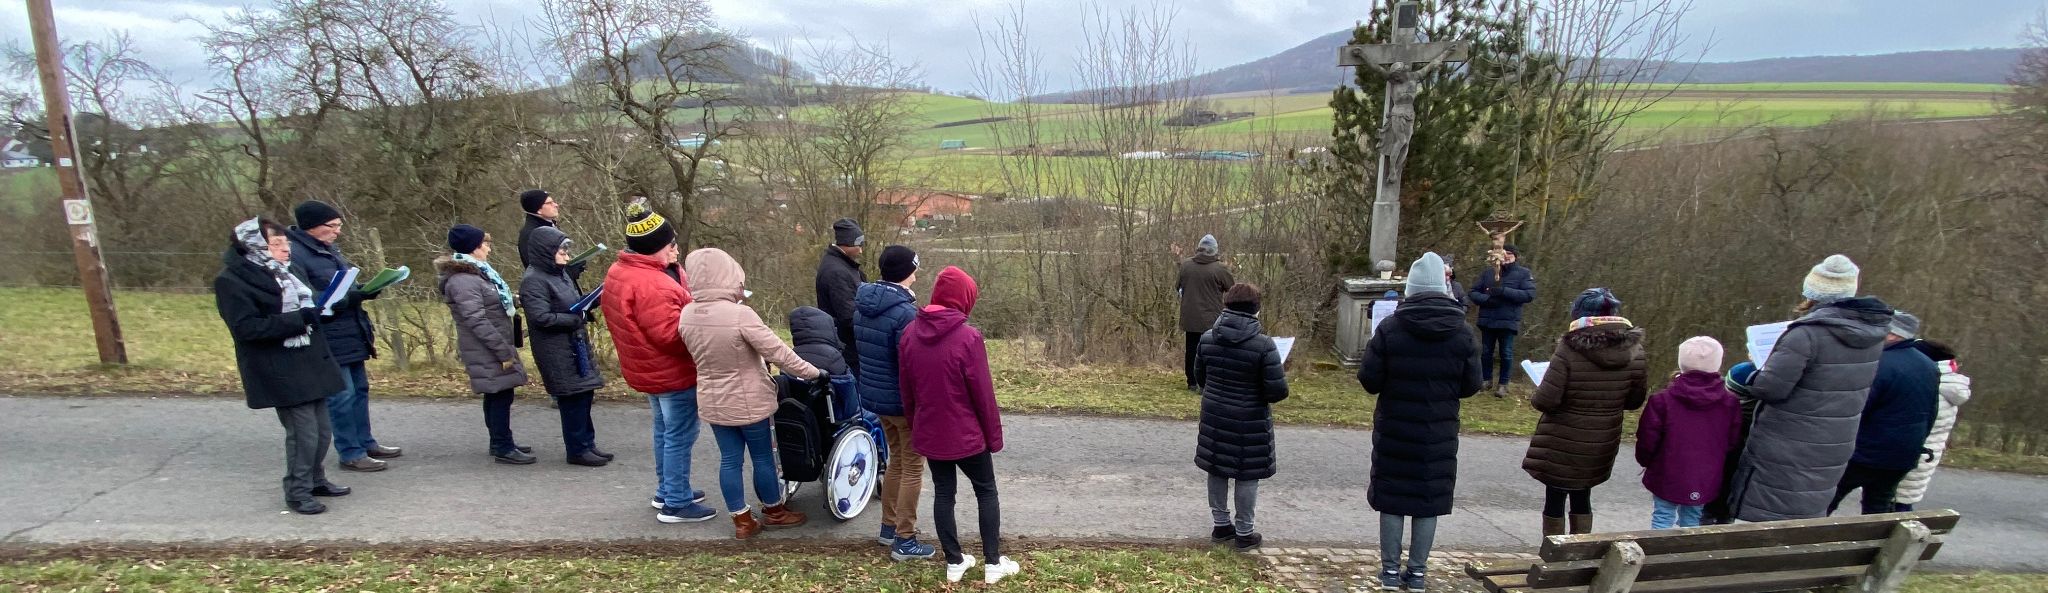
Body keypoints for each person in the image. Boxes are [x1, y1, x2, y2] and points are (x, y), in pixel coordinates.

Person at [1726, 254, 1892, 522]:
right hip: (1834, 444)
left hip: (1787, 444)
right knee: (1805, 515)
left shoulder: (1806, 334)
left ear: (1812, 292)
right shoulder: (1872, 337)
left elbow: (1770, 388)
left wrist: (1756, 371)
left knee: (1763, 514)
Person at [679, 247, 826, 539]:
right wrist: (813, 372)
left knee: (729, 460)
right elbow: (779, 352)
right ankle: (774, 511)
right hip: (749, 400)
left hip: (712, 397)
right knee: (762, 458)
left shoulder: (687, 313)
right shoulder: (739, 315)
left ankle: (742, 521)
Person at [1357, 252, 1482, 593]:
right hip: (1438, 429)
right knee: (1428, 501)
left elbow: (1369, 380)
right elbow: (1471, 385)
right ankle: (1418, 574)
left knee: (1393, 498)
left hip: (1396, 425)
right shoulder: (1462, 332)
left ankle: (1389, 573)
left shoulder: (1390, 327)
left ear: (1409, 288)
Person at [215, 217, 351, 515]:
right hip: (279, 367)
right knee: (303, 434)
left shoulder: (288, 272)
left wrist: (331, 305)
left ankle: (316, 479)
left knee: (323, 430)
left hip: (311, 360)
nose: (285, 249)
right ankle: (297, 491)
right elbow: (247, 328)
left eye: (285, 242)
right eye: (276, 244)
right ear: (254, 246)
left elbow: (312, 304)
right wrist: (300, 319)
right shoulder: (231, 281)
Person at [900, 266, 1022, 585]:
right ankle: (993, 563)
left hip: (932, 434)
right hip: (968, 436)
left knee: (944, 493)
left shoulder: (909, 334)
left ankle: (955, 562)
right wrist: (993, 439)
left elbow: (907, 391)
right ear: (963, 299)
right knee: (986, 492)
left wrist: (917, 428)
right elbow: (983, 395)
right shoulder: (968, 337)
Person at [599, 200, 715, 523]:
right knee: (680, 433)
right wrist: (704, 325)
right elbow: (671, 335)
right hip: (671, 373)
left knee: (664, 431)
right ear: (655, 248)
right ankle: (676, 503)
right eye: (671, 245)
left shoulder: (622, 270)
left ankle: (668, 489)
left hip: (646, 369)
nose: (676, 250)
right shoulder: (653, 284)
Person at [1522, 287, 1647, 537]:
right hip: (1602, 439)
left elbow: (1546, 400)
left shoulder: (1569, 349)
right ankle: (1581, 549)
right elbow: (1634, 401)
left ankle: (1553, 553)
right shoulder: (1635, 353)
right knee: (1583, 495)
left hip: (1562, 438)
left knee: (1554, 498)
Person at [286, 200, 400, 473]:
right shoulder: (296, 255)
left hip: (350, 329)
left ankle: (366, 441)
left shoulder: (327, 249)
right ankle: (350, 451)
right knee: (341, 394)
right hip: (328, 334)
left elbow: (342, 284)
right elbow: (307, 297)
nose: (338, 231)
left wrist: (364, 289)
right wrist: (347, 299)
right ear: (314, 226)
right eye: (333, 226)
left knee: (359, 389)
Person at [853, 245, 937, 561]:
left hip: (877, 399)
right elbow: (913, 364)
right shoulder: (905, 314)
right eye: (914, 268)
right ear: (905, 272)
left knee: (897, 462)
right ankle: (905, 538)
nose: (917, 274)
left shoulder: (864, 305)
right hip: (902, 404)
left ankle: (889, 528)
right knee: (912, 465)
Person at [1193, 283, 1289, 553]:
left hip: (1214, 412)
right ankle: (1244, 531)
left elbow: (1200, 377)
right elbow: (1277, 391)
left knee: (1217, 466)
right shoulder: (1265, 345)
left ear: (1226, 305)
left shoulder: (1207, 338)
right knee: (1247, 473)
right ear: (1256, 310)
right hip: (1250, 417)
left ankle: (1221, 525)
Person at [436, 225, 535, 465]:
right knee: (499, 395)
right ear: (474, 247)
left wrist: (514, 301)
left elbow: (490, 300)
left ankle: (500, 440)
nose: (489, 248)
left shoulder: (478, 273)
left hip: (493, 343)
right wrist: (502, 350)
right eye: (485, 244)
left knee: (499, 393)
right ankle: (502, 446)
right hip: (487, 347)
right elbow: (475, 319)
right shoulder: (463, 280)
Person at [1829, 311, 1939, 516]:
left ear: (1893, 335)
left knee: (1826, 500)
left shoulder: (1878, 363)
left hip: (1866, 452)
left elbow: (1858, 409)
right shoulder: (1929, 365)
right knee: (1878, 507)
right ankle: (1877, 547)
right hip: (1904, 454)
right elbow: (1931, 411)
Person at [518, 225, 610, 467]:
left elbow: (573, 304)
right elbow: (541, 318)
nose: (567, 256)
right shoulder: (533, 280)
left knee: (584, 395)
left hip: (573, 344)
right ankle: (577, 450)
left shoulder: (560, 275)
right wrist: (575, 319)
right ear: (546, 251)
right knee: (572, 399)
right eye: (562, 251)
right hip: (555, 349)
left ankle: (588, 444)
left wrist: (594, 299)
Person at [1636, 337, 1741, 529]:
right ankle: (1686, 555)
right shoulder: (1730, 402)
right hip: (1705, 473)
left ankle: (1658, 553)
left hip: (1667, 470)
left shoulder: (1662, 400)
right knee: (1693, 518)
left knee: (1662, 516)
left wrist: (1646, 461)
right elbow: (1732, 440)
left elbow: (1647, 439)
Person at [1894, 339, 1970, 512]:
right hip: (1926, 455)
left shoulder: (1930, 387)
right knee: (1902, 501)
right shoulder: (1950, 387)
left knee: (1893, 505)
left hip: (1910, 453)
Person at [1468, 245, 1535, 397]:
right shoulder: (1488, 273)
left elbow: (1528, 295)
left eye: (1509, 254)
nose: (1505, 256)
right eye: (1503, 253)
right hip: (1488, 319)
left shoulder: (1523, 274)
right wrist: (1487, 300)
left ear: (1515, 256)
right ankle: (1485, 380)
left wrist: (1504, 291)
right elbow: (1473, 292)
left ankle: (1503, 384)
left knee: (1506, 353)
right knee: (1485, 352)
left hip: (1508, 320)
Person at [1177, 234, 1235, 391]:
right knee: (1211, 351)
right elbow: (1232, 290)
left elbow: (1179, 287)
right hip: (1212, 318)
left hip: (1190, 317)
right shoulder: (1220, 269)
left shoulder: (1186, 266)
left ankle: (1192, 382)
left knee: (1191, 349)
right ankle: (1206, 383)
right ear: (1214, 251)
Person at [816, 218, 867, 373]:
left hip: (847, 345)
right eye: (858, 245)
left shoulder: (841, 266)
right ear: (847, 243)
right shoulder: (837, 272)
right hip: (847, 348)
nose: (861, 250)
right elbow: (848, 316)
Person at [517, 189, 585, 281]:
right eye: (549, 203)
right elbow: (540, 270)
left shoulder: (549, 226)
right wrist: (570, 272)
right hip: (551, 292)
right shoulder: (532, 235)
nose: (556, 205)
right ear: (538, 210)